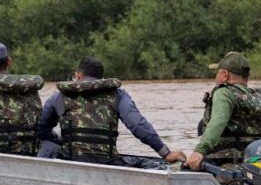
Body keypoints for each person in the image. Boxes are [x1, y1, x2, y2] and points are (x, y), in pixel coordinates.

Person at [37, 56, 186, 166]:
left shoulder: (60, 96)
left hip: (70, 160)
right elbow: (138, 125)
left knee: (48, 147)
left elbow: (42, 129)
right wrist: (165, 153)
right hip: (107, 162)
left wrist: (60, 140)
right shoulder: (117, 95)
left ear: (78, 75)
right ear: (102, 79)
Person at [185, 52, 261, 171]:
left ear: (225, 75)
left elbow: (218, 122)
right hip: (254, 159)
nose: (216, 76)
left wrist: (199, 151)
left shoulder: (224, 93)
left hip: (223, 160)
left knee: (184, 166)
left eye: (218, 72)